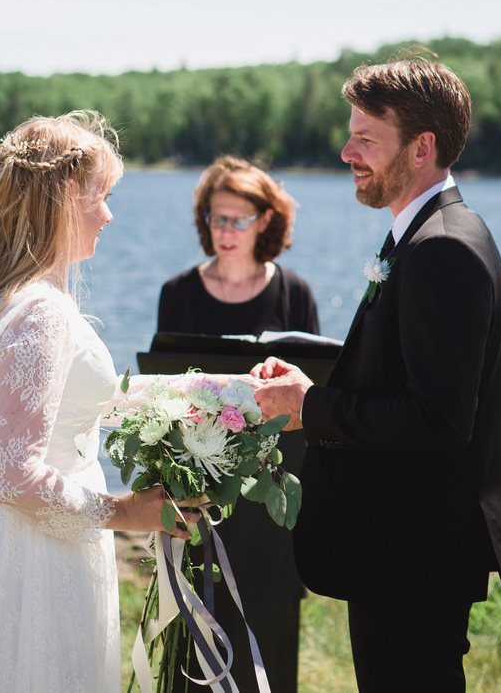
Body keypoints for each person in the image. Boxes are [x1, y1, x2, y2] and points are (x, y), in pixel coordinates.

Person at [252, 57, 501, 693]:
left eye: (367, 138)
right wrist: (311, 380)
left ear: (421, 147)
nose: (347, 150)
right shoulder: (428, 234)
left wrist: (311, 406)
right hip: (406, 546)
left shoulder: (442, 249)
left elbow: (438, 419)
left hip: (415, 553)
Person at [0, 111, 198, 693]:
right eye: (101, 196)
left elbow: (64, 408)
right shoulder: (40, 312)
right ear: (62, 197)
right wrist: (123, 511)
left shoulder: (5, 296)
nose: (108, 214)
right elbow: (17, 477)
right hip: (32, 553)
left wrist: (211, 399)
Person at [157, 155, 320, 693]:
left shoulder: (295, 294)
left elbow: (309, 408)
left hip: (270, 496)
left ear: (266, 221)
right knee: (195, 635)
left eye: (238, 220)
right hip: (198, 491)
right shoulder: (177, 293)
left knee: (268, 639)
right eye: (215, 218)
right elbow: (161, 401)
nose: (224, 231)